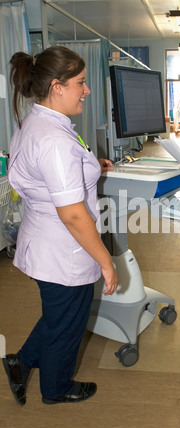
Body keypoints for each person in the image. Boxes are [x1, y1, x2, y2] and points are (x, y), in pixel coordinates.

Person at [2, 46, 118, 406]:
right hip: (64, 250)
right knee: (67, 323)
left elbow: (49, 173)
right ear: (57, 86)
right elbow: (73, 214)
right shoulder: (53, 141)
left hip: (46, 242)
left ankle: (19, 361)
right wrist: (106, 261)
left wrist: (91, 164)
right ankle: (56, 388)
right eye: (80, 83)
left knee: (58, 315)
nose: (86, 90)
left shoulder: (37, 122)